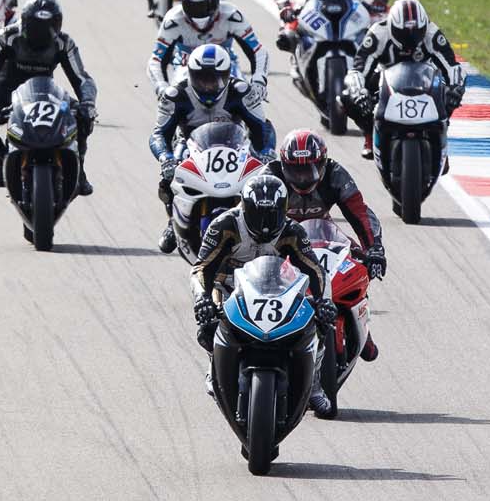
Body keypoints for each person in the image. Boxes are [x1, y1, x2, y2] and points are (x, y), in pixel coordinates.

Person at [190, 173, 337, 418]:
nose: (266, 224)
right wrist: (201, 299)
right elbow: (201, 268)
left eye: (273, 215)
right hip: (229, 287)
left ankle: (313, 384)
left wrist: (325, 301)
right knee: (207, 323)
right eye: (259, 215)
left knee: (320, 322)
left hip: (276, 288)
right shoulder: (224, 226)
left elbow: (316, 271)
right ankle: (213, 366)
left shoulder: (293, 231)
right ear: (245, 208)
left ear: (284, 210)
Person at [266, 128, 385, 361]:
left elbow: (359, 212)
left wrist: (375, 249)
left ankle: (361, 325)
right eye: (296, 170)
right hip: (277, 239)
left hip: (322, 232)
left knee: (358, 263)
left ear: (322, 162)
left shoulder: (335, 173)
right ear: (283, 166)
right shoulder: (269, 176)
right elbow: (247, 214)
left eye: (309, 169)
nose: (302, 177)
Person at [149, 43, 276, 254]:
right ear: (190, 74)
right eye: (202, 78)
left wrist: (266, 152)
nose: (208, 85)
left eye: (215, 78)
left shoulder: (241, 91)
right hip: (189, 145)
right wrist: (165, 157)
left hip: (234, 144)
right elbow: (159, 133)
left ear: (227, 75)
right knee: (169, 177)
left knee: (264, 179)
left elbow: (263, 127)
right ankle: (173, 220)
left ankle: (263, 221)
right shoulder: (175, 95)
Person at [0, 0, 98, 194]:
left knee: (83, 119)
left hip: (46, 92)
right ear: (24, 23)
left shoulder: (63, 42)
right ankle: (2, 161)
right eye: (36, 26)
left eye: (50, 26)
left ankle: (79, 169)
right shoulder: (6, 37)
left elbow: (82, 78)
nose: (43, 32)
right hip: (3, 94)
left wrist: (87, 103)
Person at [346, 0, 466, 159]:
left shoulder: (431, 32)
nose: (410, 38)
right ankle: (369, 133)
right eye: (403, 33)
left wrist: (456, 88)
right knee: (347, 97)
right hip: (385, 81)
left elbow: (452, 66)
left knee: (449, 94)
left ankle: (439, 140)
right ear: (392, 26)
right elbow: (357, 69)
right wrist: (359, 92)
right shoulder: (378, 33)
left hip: (424, 80)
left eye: (416, 33)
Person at [146, 0, 268, 100]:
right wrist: (161, 87)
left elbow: (257, 51)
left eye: (204, 6)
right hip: (185, 68)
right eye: (193, 7)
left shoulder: (232, 15)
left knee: (249, 98)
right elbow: (156, 59)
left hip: (227, 68)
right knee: (172, 102)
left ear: (216, 1)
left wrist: (258, 82)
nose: (199, 13)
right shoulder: (173, 20)